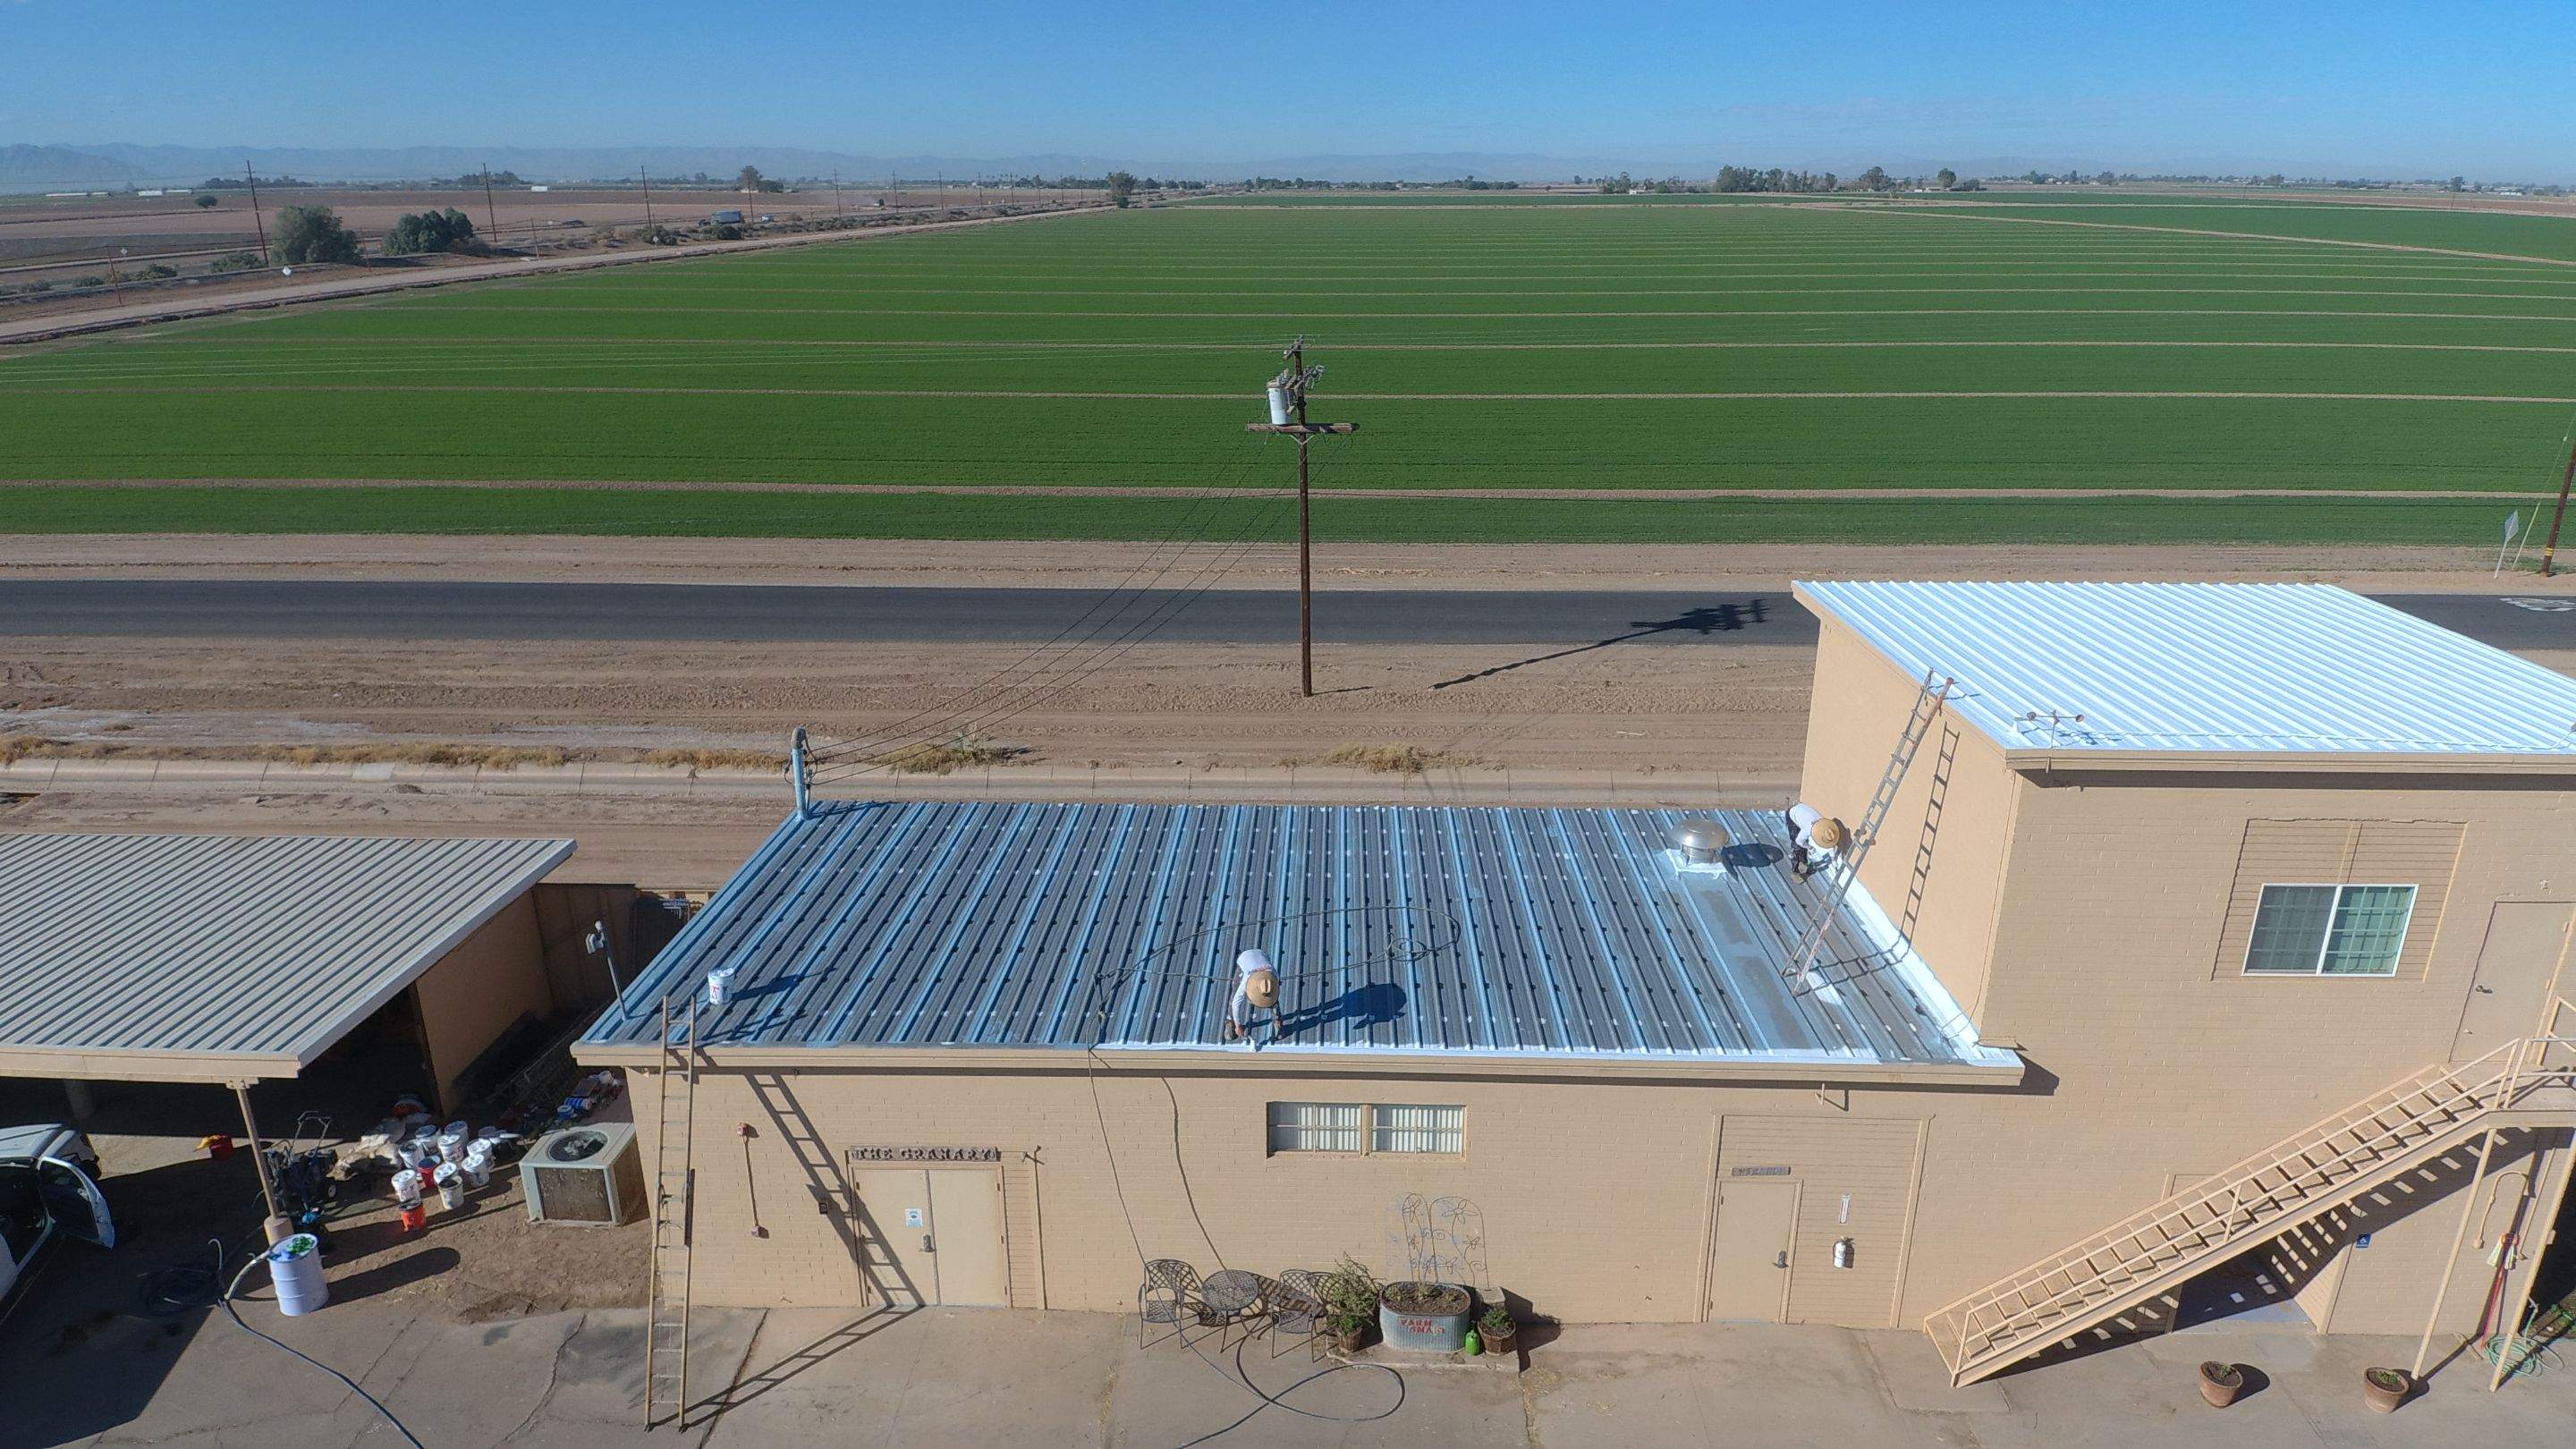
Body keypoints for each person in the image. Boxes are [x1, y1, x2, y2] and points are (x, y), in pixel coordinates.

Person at [1225, 948, 1283, 1044]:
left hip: (1262, 955)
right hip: (1244, 959)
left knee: (1274, 999)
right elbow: (1236, 1003)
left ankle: (1278, 1022)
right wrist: (1238, 1025)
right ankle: (1231, 1023)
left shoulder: (1273, 976)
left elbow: (1275, 987)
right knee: (1234, 994)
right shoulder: (1246, 979)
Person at [1784, 802, 1845, 881]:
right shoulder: (1809, 829)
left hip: (1802, 809)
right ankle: (1795, 870)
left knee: (1803, 842)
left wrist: (1834, 860)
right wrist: (1810, 847)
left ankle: (1804, 860)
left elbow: (1831, 845)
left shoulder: (1824, 824)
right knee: (1797, 846)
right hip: (1792, 814)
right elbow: (1799, 841)